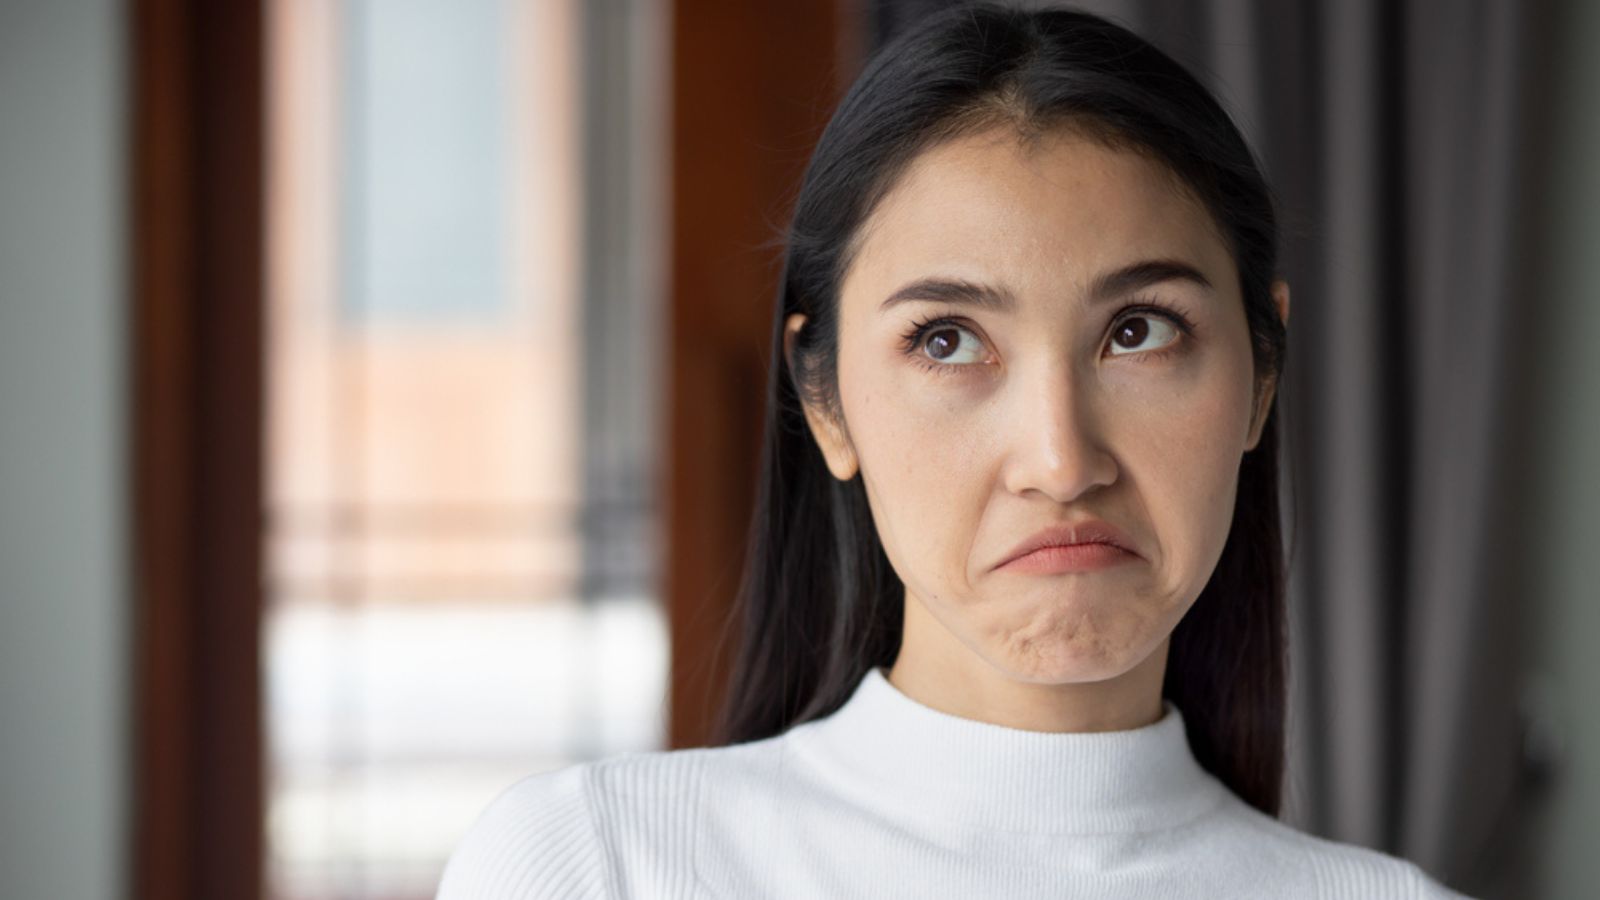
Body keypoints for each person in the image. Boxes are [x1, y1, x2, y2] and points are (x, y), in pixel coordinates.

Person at [438, 4, 1473, 897]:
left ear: (1261, 371)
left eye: (1138, 331)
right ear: (826, 399)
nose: (1061, 463)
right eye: (947, 341)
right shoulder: (600, 867)